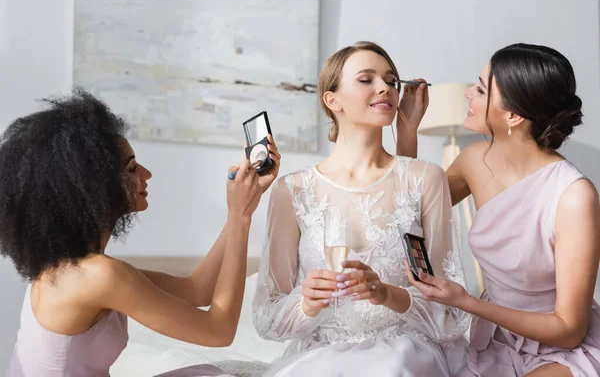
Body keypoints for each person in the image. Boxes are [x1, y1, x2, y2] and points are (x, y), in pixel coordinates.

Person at [1, 89, 281, 376]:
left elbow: (197, 290)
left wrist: (243, 206)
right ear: (93, 185)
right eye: (132, 167)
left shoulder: (72, 268)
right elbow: (219, 331)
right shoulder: (96, 275)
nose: (146, 174)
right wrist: (240, 215)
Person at [252, 41, 470, 377]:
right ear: (332, 99)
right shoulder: (292, 190)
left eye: (391, 81)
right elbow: (268, 319)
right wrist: (307, 304)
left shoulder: (425, 178)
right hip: (320, 356)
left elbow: (451, 312)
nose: (385, 87)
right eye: (366, 79)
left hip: (403, 353)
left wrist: (386, 293)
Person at [397, 43, 600, 377]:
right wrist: (407, 130)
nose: (467, 94)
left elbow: (569, 329)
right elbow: (409, 214)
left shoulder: (574, 196)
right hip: (494, 340)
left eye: (479, 88)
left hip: (564, 351)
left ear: (513, 115)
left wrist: (466, 302)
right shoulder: (475, 160)